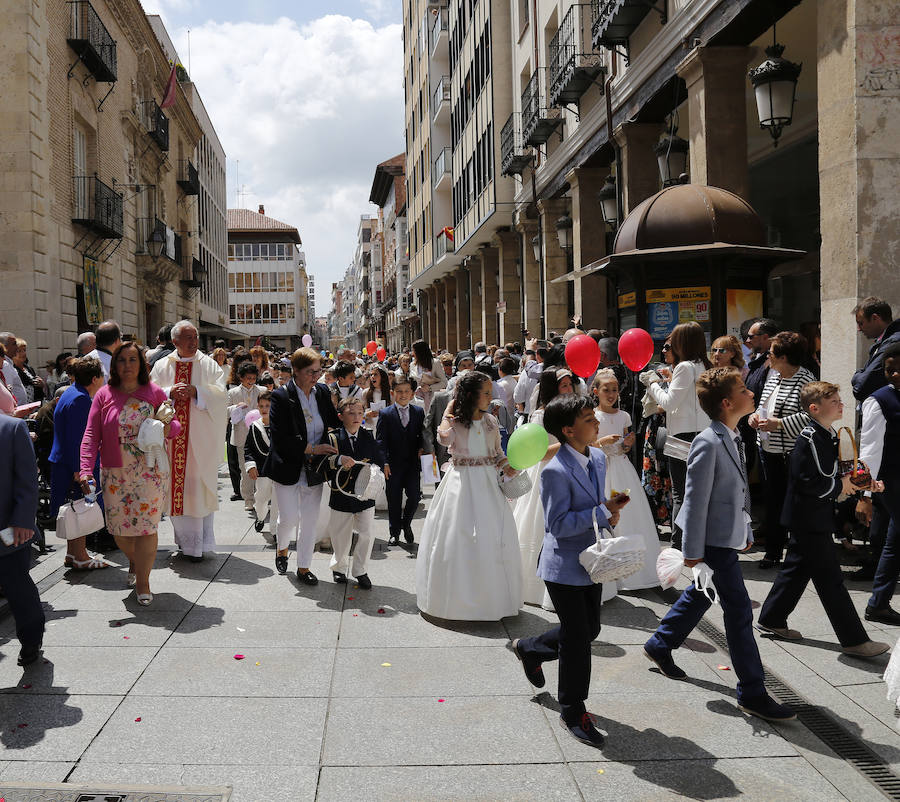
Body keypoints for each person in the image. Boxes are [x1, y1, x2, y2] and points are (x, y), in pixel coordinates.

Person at [643, 367, 796, 722]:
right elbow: (695, 502)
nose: (751, 391)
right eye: (744, 388)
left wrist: (743, 532)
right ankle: (753, 692)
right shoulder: (708, 442)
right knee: (739, 613)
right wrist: (694, 554)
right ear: (728, 402)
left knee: (702, 594)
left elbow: (735, 493)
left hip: (723, 540)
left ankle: (660, 643)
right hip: (710, 544)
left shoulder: (732, 434)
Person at [510, 394, 630, 748]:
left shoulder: (595, 456)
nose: (596, 422)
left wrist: (610, 510)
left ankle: (532, 648)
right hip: (563, 567)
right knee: (579, 640)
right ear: (568, 430)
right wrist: (600, 513)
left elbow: (595, 504)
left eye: (594, 416)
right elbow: (558, 525)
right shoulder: (554, 472)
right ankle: (572, 709)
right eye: (588, 418)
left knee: (589, 628)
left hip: (591, 560)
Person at [756, 382, 889, 658]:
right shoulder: (810, 437)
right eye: (835, 401)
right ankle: (853, 640)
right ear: (815, 409)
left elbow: (835, 472)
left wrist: (864, 483)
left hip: (810, 516)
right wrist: (843, 486)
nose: (841, 405)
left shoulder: (824, 433)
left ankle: (771, 617)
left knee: (797, 569)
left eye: (840, 400)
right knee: (831, 581)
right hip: (808, 518)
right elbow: (811, 484)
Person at [416, 371, 522, 620]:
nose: (489, 397)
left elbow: (497, 452)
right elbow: (444, 439)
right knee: (458, 534)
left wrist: (508, 466)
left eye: (489, 392)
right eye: (485, 393)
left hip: (486, 483)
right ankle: (457, 599)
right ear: (471, 395)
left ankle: (491, 597)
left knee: (490, 536)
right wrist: (449, 415)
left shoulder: (491, 422)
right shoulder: (456, 421)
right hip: (461, 483)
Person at [80, 342, 180, 604]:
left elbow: (175, 425)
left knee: (146, 528)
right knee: (119, 530)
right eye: (122, 360)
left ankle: (144, 581)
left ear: (141, 364)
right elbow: (91, 434)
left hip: (149, 470)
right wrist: (85, 469)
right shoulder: (104, 394)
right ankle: (136, 561)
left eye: (132, 360)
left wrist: (166, 428)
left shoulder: (154, 391)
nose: (127, 365)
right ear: (114, 365)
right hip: (115, 472)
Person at [150, 320, 227, 562]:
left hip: (200, 442)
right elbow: (149, 394)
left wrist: (197, 392)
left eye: (195, 337)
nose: (194, 342)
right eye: (188, 338)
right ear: (175, 342)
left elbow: (221, 394)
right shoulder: (162, 365)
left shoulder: (209, 365)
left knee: (198, 489)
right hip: (171, 443)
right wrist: (168, 393)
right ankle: (186, 544)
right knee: (177, 489)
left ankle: (200, 545)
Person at [264, 347, 339, 583]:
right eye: (310, 372)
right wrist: (310, 448)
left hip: (315, 467)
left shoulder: (322, 392)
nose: (315, 376)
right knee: (288, 518)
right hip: (287, 464)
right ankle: (282, 548)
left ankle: (304, 567)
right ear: (295, 371)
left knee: (310, 519)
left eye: (318, 371)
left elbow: (333, 423)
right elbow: (279, 437)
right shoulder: (281, 396)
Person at [748, 331, 816, 568]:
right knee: (773, 502)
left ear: (785, 357)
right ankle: (773, 551)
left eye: (772, 352)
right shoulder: (772, 375)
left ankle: (798, 553)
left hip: (791, 453)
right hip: (767, 448)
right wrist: (754, 418)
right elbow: (762, 406)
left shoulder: (805, 379)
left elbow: (811, 414)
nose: (768, 356)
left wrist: (781, 424)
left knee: (794, 504)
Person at [642, 321, 711, 550]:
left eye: (673, 342)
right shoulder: (703, 364)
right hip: (703, 433)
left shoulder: (684, 367)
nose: (668, 346)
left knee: (680, 493)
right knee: (699, 492)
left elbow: (669, 403)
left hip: (682, 435)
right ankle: (698, 541)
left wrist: (652, 384)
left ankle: (679, 544)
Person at [591, 369, 661, 591]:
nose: (611, 394)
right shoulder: (591, 415)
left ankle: (634, 568)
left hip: (621, 467)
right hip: (601, 467)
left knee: (629, 512)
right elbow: (588, 445)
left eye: (614, 390)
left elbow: (624, 446)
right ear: (596, 392)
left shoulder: (624, 416)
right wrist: (602, 441)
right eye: (606, 390)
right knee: (606, 511)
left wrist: (627, 443)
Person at [515, 368, 574, 608]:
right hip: (546, 473)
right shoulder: (541, 416)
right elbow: (538, 454)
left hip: (569, 471)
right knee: (540, 523)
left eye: (571, 385)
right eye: (564, 386)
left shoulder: (573, 411)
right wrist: (571, 444)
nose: (569, 390)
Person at [48, 356, 107, 570]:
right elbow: (77, 439)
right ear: (94, 379)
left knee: (73, 509)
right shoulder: (81, 399)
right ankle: (80, 555)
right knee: (80, 508)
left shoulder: (71, 392)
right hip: (73, 465)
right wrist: (80, 470)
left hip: (65, 462)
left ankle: (74, 554)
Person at [319, 396, 383, 589]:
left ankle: (360, 570)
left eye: (360, 413)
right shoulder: (333, 437)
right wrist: (338, 460)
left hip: (364, 493)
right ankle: (339, 567)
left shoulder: (368, 435)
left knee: (366, 533)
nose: (357, 417)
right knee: (341, 535)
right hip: (342, 493)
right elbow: (323, 465)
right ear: (340, 416)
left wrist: (380, 468)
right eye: (351, 413)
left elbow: (377, 458)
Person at [0, 412, 45, 666]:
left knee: (17, 587)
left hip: (8, 529)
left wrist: (23, 520)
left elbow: (27, 479)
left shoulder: (12, 428)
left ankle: (31, 640)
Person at [860, 342, 900, 625]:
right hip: (889, 482)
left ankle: (879, 602)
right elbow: (869, 451)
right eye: (890, 370)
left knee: (893, 540)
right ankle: (878, 603)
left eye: (899, 368)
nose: (895, 374)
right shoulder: (879, 400)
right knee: (895, 543)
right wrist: (864, 495)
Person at [376, 376, 426, 546]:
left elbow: (423, 436)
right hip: (393, 464)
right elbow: (381, 441)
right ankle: (394, 532)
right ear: (392, 393)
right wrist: (384, 462)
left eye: (406, 391)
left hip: (412, 464)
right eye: (399, 392)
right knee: (394, 499)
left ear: (412, 394)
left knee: (414, 497)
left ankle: (407, 523)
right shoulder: (386, 413)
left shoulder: (418, 412)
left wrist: (422, 449)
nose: (403, 395)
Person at [640, 336, 675, 529]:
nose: (663, 351)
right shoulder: (660, 371)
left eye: (668, 347)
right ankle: (655, 517)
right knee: (654, 474)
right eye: (663, 347)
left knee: (671, 476)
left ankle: (672, 518)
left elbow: (669, 404)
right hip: (656, 429)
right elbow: (648, 406)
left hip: (673, 430)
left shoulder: (685, 372)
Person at [227, 361, 261, 512]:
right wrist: (236, 408)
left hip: (259, 435)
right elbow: (224, 410)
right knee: (245, 468)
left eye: (253, 378)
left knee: (260, 468)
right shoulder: (233, 393)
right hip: (241, 434)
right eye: (248, 378)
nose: (251, 381)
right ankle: (248, 499)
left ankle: (261, 497)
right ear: (241, 377)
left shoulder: (261, 391)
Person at [852, 297, 900, 402]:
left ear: (875, 318)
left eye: (861, 323)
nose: (859, 329)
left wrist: (857, 376)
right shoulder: (885, 341)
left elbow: (861, 388)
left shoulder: (892, 342)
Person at [245, 389, 277, 542]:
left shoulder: (281, 426)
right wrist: (251, 466)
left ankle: (276, 531)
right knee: (261, 499)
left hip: (279, 471)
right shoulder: (254, 427)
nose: (264, 409)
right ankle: (261, 517)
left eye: (268, 406)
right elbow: (248, 448)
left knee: (278, 502)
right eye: (261, 406)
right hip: (262, 471)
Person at [410, 339, 446, 412]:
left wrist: (430, 388)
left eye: (414, 351)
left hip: (432, 400)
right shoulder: (412, 365)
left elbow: (444, 383)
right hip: (417, 400)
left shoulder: (435, 363)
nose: (412, 353)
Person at [0, 331, 29, 405]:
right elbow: (8, 391)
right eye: (14, 344)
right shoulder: (5, 365)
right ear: (4, 346)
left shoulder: (9, 364)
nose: (17, 347)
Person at [363, 364, 391, 431]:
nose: (372, 377)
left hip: (385, 430)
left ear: (382, 376)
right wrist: (366, 415)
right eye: (371, 375)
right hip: (369, 430)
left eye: (375, 374)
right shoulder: (365, 393)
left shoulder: (390, 393)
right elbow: (360, 417)